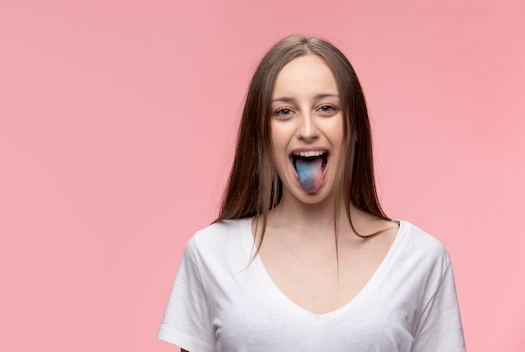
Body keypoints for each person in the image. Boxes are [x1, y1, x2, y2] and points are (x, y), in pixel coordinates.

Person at [157, 35, 466, 351]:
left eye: (326, 108)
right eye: (284, 112)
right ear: (262, 134)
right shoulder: (211, 253)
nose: (307, 130)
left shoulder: (420, 259)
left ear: (355, 128)